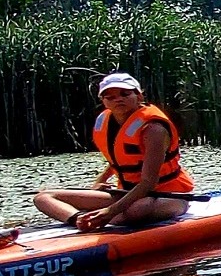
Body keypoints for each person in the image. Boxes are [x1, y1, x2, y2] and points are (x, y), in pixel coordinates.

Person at [34, 72, 196, 230]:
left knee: (138, 209)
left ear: (139, 96)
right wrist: (99, 182)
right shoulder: (106, 122)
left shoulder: (154, 129)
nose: (118, 99)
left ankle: (105, 218)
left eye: (125, 94)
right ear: (103, 101)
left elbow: (148, 183)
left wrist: (110, 211)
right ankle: (79, 219)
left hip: (168, 195)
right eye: (110, 97)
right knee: (44, 197)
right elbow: (120, 161)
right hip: (126, 193)